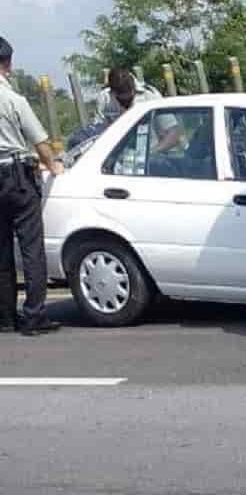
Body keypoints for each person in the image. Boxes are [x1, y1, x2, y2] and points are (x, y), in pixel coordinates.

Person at [0, 35, 64, 336]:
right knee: (31, 248)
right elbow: (40, 142)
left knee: (1, 252)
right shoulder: (15, 100)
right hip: (17, 179)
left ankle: (5, 317)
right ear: (7, 64)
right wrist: (54, 166)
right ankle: (34, 315)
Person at [65, 68, 168, 151]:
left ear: (133, 88)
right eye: (121, 99)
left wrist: (154, 152)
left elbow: (173, 132)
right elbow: (97, 132)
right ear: (113, 92)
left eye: (129, 98)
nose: (125, 103)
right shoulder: (105, 98)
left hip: (151, 155)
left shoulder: (150, 96)